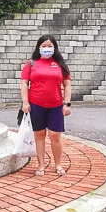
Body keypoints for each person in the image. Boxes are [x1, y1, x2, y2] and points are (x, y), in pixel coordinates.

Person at [20, 35, 72, 176]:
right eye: (44, 46)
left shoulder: (61, 65)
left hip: (55, 105)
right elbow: (24, 83)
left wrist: (67, 103)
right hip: (36, 105)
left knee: (55, 135)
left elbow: (67, 85)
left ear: (54, 48)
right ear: (39, 47)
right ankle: (41, 165)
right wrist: (25, 102)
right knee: (39, 135)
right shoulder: (31, 63)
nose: (47, 49)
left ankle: (58, 164)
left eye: (49, 46)